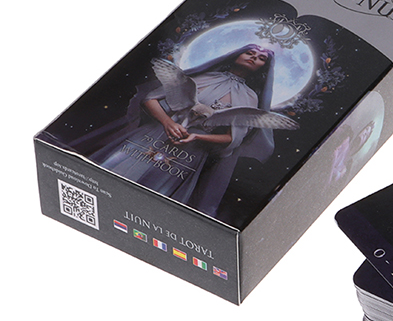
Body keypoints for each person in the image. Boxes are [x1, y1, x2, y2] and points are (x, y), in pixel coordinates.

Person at [91, 44, 278, 218]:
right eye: (250, 53)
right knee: (116, 170)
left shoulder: (249, 97)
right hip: (156, 133)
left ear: (264, 67)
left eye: (261, 58)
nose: (254, 58)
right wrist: (167, 122)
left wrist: (197, 136)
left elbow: (232, 138)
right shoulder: (205, 77)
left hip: (191, 150)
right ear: (237, 54)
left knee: (154, 193)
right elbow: (150, 99)